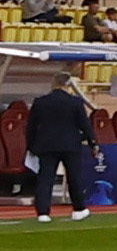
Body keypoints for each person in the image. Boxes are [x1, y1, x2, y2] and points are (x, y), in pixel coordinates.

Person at [18, 68, 92, 218]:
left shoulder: (40, 102)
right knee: (74, 178)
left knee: (45, 179)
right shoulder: (75, 102)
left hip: (46, 145)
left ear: (53, 83)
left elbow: (31, 126)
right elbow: (84, 125)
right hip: (71, 144)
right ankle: (78, 209)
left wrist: (31, 146)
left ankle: (43, 212)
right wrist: (92, 142)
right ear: (67, 84)